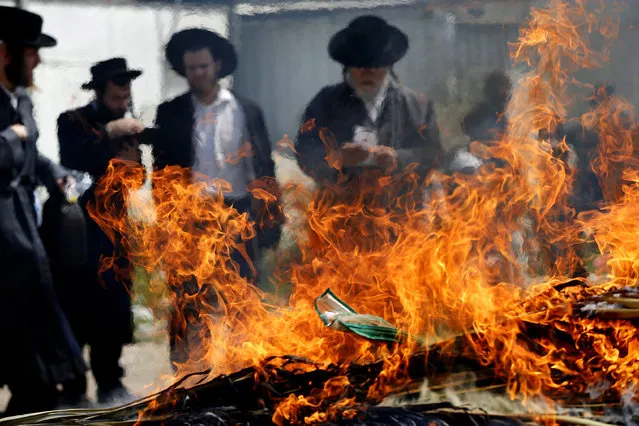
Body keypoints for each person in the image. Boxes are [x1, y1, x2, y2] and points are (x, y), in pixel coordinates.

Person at [153, 28, 283, 369]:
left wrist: (270, 217)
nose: (197, 74)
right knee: (188, 302)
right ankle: (188, 378)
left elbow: (265, 166)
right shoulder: (171, 112)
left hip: (236, 216)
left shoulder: (246, 110)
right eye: (191, 68)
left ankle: (244, 371)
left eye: (203, 67)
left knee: (241, 299)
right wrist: (166, 223)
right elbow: (161, 171)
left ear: (218, 66)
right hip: (190, 218)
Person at [0, 6, 86, 416]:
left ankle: (36, 391)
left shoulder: (19, 100)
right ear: (4, 53)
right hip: (2, 228)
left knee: (33, 300)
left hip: (21, 222)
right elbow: (11, 149)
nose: (37, 59)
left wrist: (57, 174)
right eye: (30, 51)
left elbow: (32, 154)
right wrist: (10, 140)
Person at [56, 57, 144, 405]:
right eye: (117, 86)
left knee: (113, 309)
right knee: (76, 310)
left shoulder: (128, 126)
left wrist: (130, 148)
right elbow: (75, 160)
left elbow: (137, 178)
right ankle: (74, 388)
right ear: (100, 89)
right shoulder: (72, 121)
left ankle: (110, 381)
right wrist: (110, 135)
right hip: (78, 231)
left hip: (115, 231)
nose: (123, 94)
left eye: (127, 88)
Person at [295, 15, 441, 190]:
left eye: (375, 65)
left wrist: (398, 159)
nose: (367, 72)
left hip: (400, 210)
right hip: (341, 210)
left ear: (388, 65)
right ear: (347, 66)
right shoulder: (326, 102)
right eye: (360, 66)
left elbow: (432, 154)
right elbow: (305, 153)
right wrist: (337, 158)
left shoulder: (417, 105)